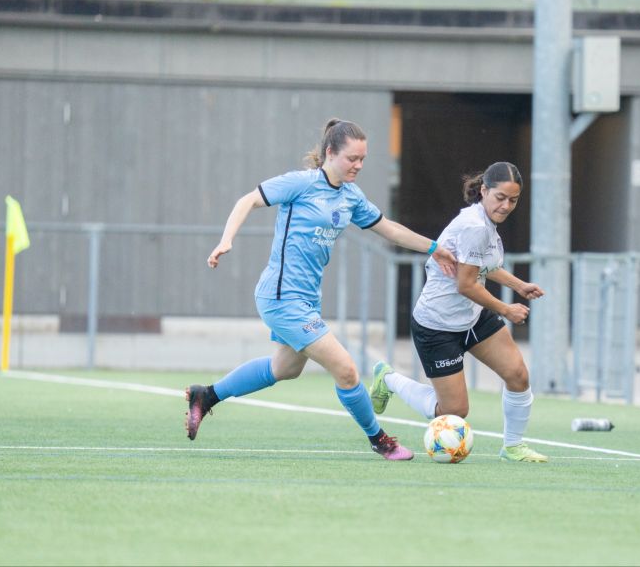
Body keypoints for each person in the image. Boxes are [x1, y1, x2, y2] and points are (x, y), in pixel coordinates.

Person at [185, 118, 457, 461]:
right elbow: (247, 201)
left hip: (306, 299)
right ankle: (380, 440)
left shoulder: (351, 196)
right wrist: (226, 240)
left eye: (362, 159)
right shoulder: (301, 183)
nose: (358, 165)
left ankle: (206, 395)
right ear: (330, 152)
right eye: (352, 158)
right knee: (346, 369)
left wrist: (434, 248)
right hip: (281, 296)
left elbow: (389, 229)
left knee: (285, 368)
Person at [369, 161, 548, 462]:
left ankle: (513, 446)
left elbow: (482, 266)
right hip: (437, 325)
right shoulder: (474, 226)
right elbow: (466, 284)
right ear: (484, 191)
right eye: (500, 197)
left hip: (472, 317)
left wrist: (519, 285)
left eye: (513, 200)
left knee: (517, 374)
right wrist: (506, 309)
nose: (506, 206)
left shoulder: (485, 224)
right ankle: (388, 379)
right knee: (454, 411)